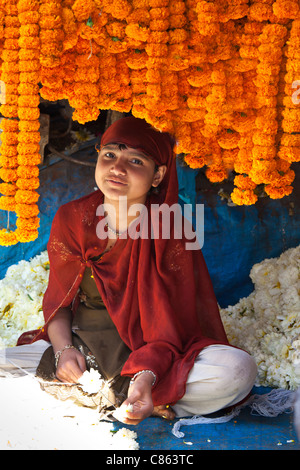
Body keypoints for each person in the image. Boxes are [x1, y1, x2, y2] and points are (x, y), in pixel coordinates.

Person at [11, 117, 257, 424]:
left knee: (237, 370)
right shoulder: (72, 217)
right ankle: (140, 401)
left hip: (154, 357)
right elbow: (59, 303)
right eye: (110, 155)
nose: (117, 168)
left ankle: (137, 394)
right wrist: (63, 352)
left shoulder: (171, 229)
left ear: (158, 175)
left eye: (136, 160)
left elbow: (174, 328)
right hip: (85, 348)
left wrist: (146, 376)